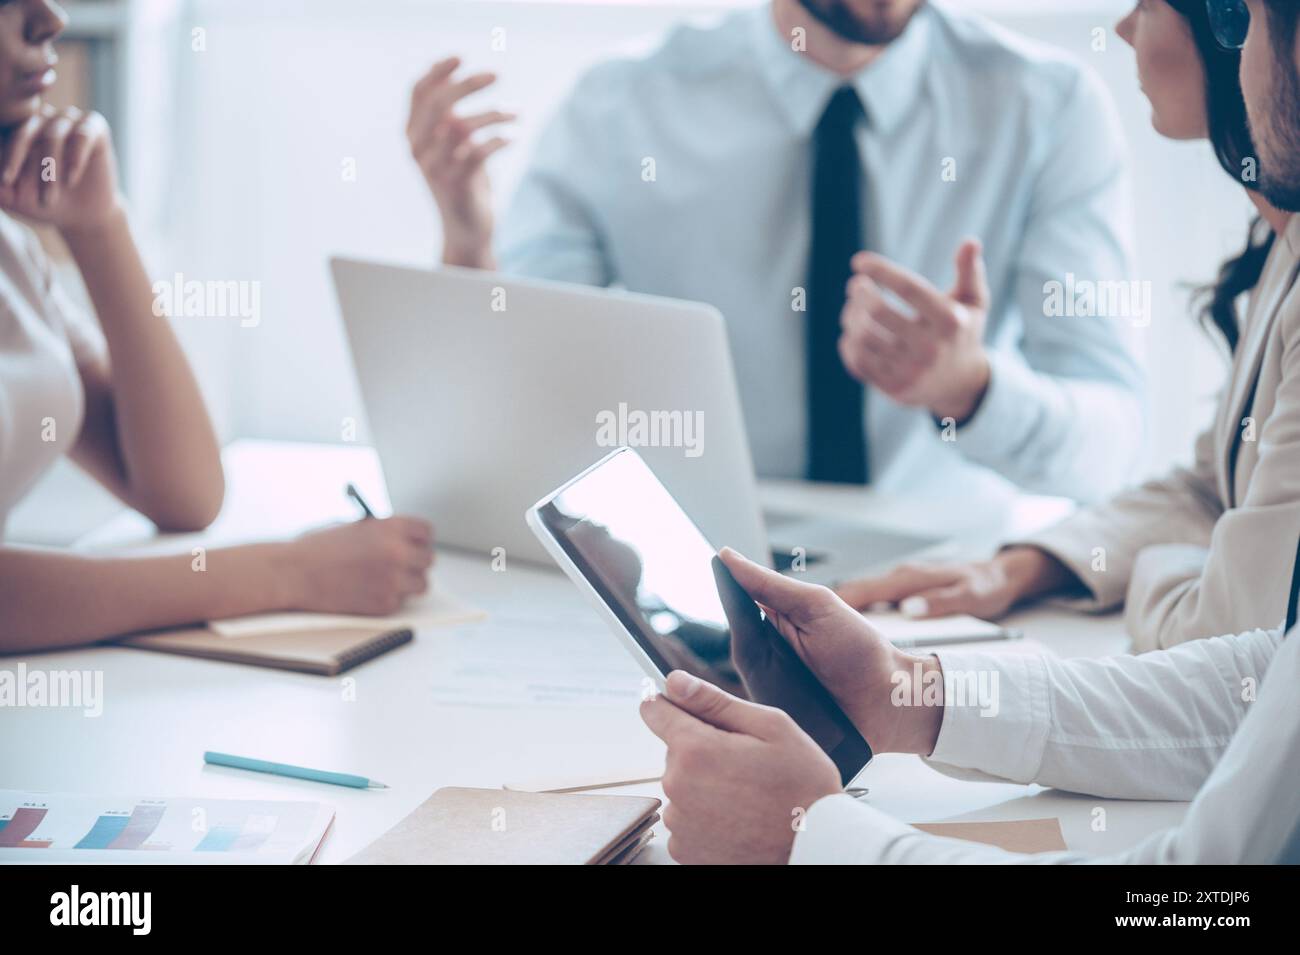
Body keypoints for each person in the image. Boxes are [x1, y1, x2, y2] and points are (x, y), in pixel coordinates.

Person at [639, 0, 1300, 864]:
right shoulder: (627, 98)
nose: (1233, 46)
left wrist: (811, 838)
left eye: (1241, 18)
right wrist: (908, 691)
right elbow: (1266, 691)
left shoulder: (1046, 102)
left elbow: (1195, 900)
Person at [406, 0, 1145, 504]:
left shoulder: (1049, 107)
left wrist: (973, 391)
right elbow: (522, 412)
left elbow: (1108, 449)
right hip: (705, 574)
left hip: (951, 592)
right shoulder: (620, 105)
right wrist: (470, 249)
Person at [839, 0, 1300, 653]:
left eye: (1147, 4)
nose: (1122, 28)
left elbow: (1233, 634)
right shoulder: (1280, 246)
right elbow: (1213, 491)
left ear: (1228, 27)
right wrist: (1016, 567)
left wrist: (1179, 569)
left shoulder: (1047, 101)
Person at [0, 0, 434, 653]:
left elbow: (183, 492)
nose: (51, 18)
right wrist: (287, 572)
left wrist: (101, 227)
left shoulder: (12, 251)